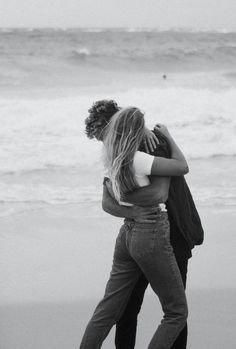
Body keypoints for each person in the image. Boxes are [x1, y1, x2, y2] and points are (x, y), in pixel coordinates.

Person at [83, 99, 204, 349]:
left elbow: (160, 192)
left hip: (172, 232)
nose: (105, 143)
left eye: (104, 135)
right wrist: (135, 211)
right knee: (137, 309)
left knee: (173, 311)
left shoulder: (152, 145)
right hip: (145, 232)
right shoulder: (119, 152)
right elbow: (108, 203)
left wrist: (128, 202)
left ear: (117, 125)